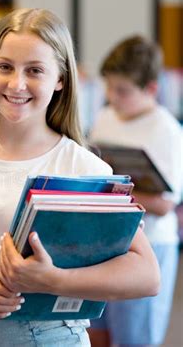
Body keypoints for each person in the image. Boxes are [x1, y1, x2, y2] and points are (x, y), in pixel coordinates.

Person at [0, 9, 160, 346]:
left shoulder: (86, 167)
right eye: (5, 66)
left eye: (35, 70)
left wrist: (54, 280)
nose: (16, 84)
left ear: (60, 80)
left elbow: (147, 276)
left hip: (57, 338)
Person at [88, 35, 182, 347]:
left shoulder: (167, 130)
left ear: (151, 89)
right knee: (93, 331)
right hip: (104, 240)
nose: (112, 96)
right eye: (109, 87)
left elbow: (165, 205)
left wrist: (114, 190)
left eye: (123, 91)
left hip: (151, 244)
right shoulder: (104, 117)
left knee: (134, 339)